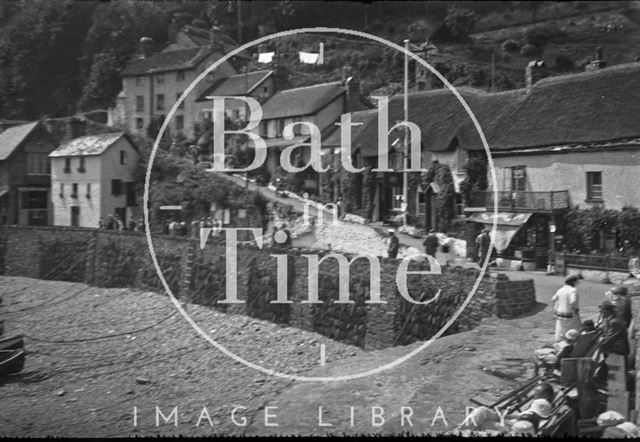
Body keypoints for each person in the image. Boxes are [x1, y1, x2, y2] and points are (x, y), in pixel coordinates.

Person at [459, 382, 554, 433]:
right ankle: (460, 431)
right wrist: (507, 415)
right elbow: (529, 415)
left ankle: (458, 432)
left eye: (537, 394)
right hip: (511, 423)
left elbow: (529, 417)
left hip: (512, 427)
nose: (534, 396)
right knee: (481, 412)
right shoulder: (542, 404)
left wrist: (508, 416)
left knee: (480, 417)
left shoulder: (542, 403)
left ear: (545, 395)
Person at [551, 274, 582, 342]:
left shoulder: (560, 290)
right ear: (573, 282)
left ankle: (560, 341)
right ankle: (571, 342)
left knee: (561, 328)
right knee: (572, 328)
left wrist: (557, 307)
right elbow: (573, 301)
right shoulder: (573, 290)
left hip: (559, 313)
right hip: (570, 313)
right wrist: (575, 309)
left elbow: (553, 299)